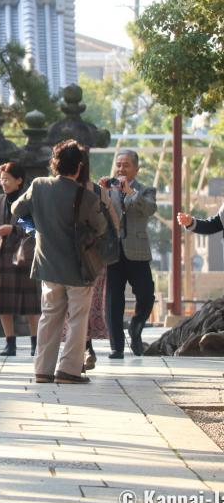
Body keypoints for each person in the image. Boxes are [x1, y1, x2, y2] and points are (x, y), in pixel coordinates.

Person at [11, 139, 107, 384]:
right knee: (77, 318)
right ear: (78, 167)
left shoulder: (39, 185)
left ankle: (42, 370)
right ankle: (69, 370)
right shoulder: (86, 196)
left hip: (48, 264)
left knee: (49, 316)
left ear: (55, 163)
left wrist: (34, 229)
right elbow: (101, 227)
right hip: (78, 268)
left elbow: (16, 210)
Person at [0, 161, 41, 357]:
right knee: (3, 303)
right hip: (2, 257)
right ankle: (9, 343)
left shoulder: (28, 200)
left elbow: (34, 228)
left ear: (19, 181)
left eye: (7, 179)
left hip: (25, 256)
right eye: (1, 179)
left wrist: (13, 229)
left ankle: (35, 342)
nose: (3, 182)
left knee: (30, 305)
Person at [61, 148, 120, 370]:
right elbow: (114, 224)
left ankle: (82, 350)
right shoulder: (97, 190)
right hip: (94, 257)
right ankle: (85, 348)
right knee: (88, 305)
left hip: (65, 254)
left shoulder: (58, 188)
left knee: (69, 306)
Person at [99, 150, 157, 358]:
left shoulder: (146, 190)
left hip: (138, 251)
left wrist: (130, 192)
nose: (121, 169)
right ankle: (117, 346)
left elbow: (149, 209)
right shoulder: (107, 190)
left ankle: (136, 327)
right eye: (119, 164)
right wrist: (100, 192)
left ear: (136, 169)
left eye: (126, 165)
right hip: (113, 251)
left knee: (146, 295)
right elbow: (97, 212)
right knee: (113, 300)